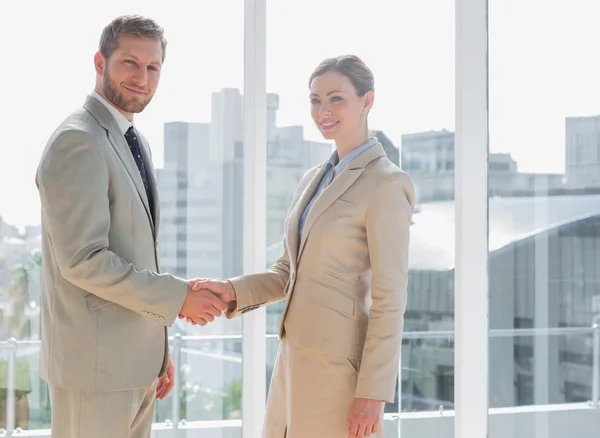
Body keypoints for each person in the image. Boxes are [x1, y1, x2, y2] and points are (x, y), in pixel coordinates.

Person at [190, 55, 415, 437]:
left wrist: (373, 394)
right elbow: (288, 271)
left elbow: (390, 298)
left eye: (336, 98)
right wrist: (232, 291)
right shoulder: (314, 178)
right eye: (315, 100)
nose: (323, 110)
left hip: (338, 370)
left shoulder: (386, 183)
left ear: (367, 101)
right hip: (291, 360)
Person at [35, 15, 228, 438]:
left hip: (134, 367)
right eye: (129, 63)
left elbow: (134, 253)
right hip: (95, 373)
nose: (142, 77)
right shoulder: (78, 140)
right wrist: (179, 298)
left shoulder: (130, 139)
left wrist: (156, 352)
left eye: (152, 67)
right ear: (99, 63)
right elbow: (84, 261)